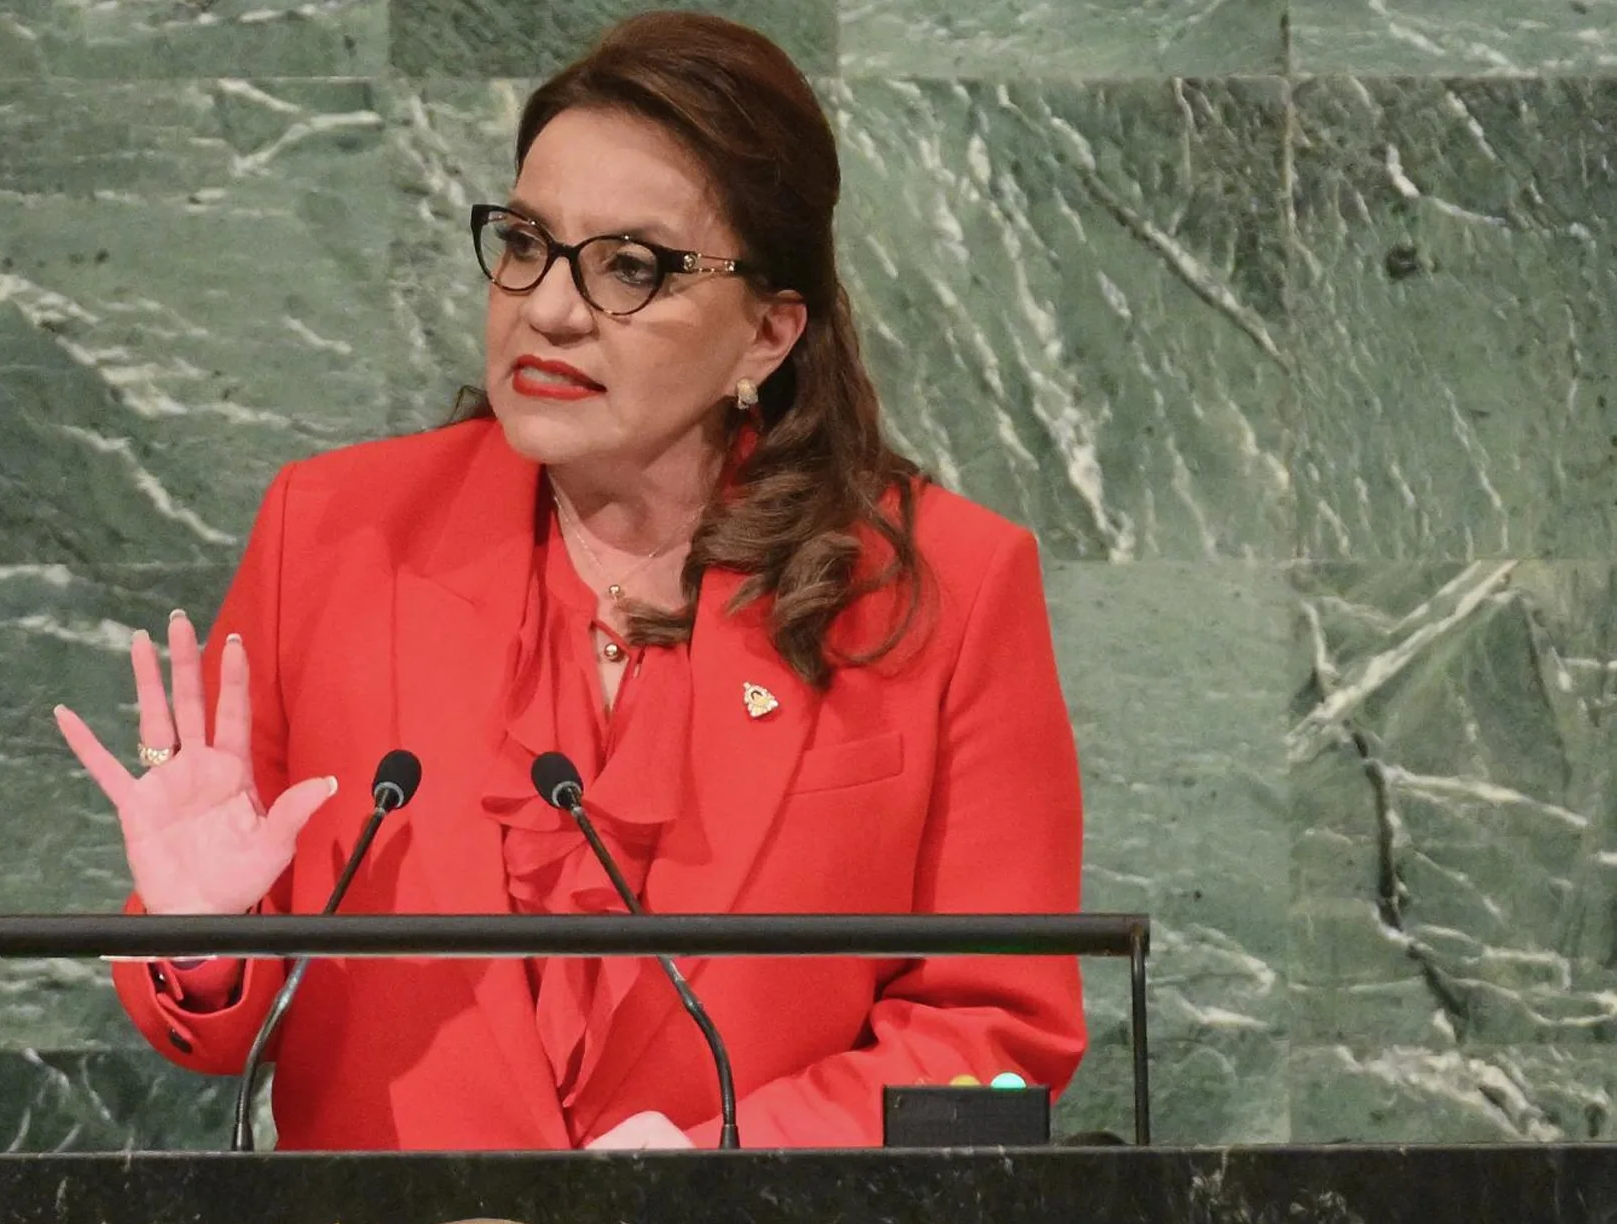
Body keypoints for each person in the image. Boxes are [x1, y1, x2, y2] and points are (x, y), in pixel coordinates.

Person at [54, 11, 1086, 1150]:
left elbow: (999, 1040)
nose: (550, 307)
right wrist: (205, 935)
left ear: (767, 336)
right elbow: (210, 1033)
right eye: (527, 244)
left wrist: (731, 1162)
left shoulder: (944, 583)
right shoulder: (334, 535)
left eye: (631, 268)